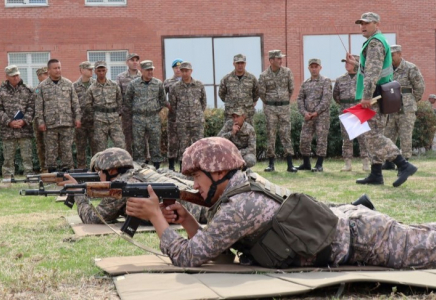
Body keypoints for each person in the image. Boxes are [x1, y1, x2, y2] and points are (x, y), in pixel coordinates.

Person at [125, 137, 436, 269]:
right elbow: (216, 255)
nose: (193, 184)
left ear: (218, 171)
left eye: (197, 176)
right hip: (352, 230)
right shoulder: (236, 195)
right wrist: (189, 222)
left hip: (364, 238)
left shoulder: (239, 206)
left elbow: (187, 258)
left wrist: (156, 217)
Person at [347, 12, 417, 187]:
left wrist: (366, 96)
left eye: (367, 23)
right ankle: (376, 174)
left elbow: (372, 74)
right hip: (380, 95)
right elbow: (373, 68)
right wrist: (356, 64)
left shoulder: (375, 43)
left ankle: (403, 164)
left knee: (373, 135)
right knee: (376, 133)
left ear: (377, 24)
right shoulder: (377, 41)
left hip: (375, 97)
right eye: (361, 23)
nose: (362, 26)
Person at [59, 147, 206, 224]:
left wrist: (78, 193)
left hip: (200, 211)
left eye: (99, 172)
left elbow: (94, 218)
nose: (98, 177)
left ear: (111, 171)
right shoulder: (138, 171)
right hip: (201, 202)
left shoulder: (124, 184)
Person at [382, 45, 425, 170]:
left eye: (392, 55)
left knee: (405, 134)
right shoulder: (386, 69)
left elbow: (419, 87)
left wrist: (410, 100)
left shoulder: (410, 68)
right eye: (388, 55)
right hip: (390, 107)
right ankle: (389, 161)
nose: (390, 58)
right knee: (388, 134)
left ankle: (405, 161)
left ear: (400, 54)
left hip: (406, 107)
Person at [35, 59, 81, 172]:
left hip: (66, 123)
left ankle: (68, 172)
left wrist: (78, 118)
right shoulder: (42, 86)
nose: (58, 70)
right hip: (50, 124)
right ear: (49, 70)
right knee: (50, 151)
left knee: (67, 150)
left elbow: (75, 103)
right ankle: (51, 172)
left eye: (59, 68)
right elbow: (39, 106)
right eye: (55, 68)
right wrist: (40, 122)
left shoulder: (68, 83)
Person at [258, 50, 297, 173]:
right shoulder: (264, 76)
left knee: (286, 134)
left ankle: (290, 164)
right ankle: (271, 163)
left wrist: (283, 100)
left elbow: (291, 89)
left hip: (284, 107)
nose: (281, 60)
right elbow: (262, 93)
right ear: (271, 60)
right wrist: (271, 102)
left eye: (281, 58)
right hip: (270, 108)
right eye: (278, 58)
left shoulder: (287, 72)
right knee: (271, 134)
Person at [125, 60, 168, 169]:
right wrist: (137, 109)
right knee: (138, 144)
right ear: (142, 70)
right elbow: (127, 100)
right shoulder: (133, 84)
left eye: (151, 70)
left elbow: (163, 100)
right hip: (138, 118)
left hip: (153, 117)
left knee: (155, 142)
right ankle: (140, 167)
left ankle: (157, 167)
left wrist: (155, 109)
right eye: (147, 70)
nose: (150, 72)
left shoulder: (158, 83)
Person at [333, 55, 369, 172]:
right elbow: (336, 95)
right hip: (345, 110)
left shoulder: (362, 77)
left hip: (359, 108)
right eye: (345, 62)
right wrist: (345, 104)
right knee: (347, 138)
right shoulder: (340, 79)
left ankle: (366, 163)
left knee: (362, 137)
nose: (346, 64)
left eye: (349, 62)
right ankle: (348, 163)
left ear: (356, 63)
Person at [169, 61, 207, 171]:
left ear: (191, 71)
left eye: (187, 71)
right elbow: (173, 104)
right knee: (183, 145)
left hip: (197, 121)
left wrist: (197, 113)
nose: (185, 73)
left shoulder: (199, 85)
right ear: (180, 72)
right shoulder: (175, 87)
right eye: (183, 71)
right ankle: (184, 168)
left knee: (199, 144)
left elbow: (203, 102)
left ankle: (200, 167)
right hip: (182, 121)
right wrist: (181, 114)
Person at [297, 58, 332, 172]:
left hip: (321, 116)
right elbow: (300, 99)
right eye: (312, 67)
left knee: (321, 139)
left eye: (316, 66)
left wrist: (317, 111)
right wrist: (304, 113)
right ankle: (306, 163)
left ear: (320, 68)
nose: (314, 69)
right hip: (308, 116)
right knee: (304, 139)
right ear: (308, 68)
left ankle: (319, 164)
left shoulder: (325, 81)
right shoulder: (305, 83)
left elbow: (326, 99)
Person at [0, 65, 35, 177]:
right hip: (8, 130)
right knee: (8, 157)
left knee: (27, 157)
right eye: (13, 76)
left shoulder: (28, 89)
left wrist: (24, 121)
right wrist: (9, 122)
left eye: (17, 75)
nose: (16, 78)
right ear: (7, 76)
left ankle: (29, 176)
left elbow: (32, 107)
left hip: (24, 129)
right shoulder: (1, 91)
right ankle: (7, 178)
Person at [85, 61, 125, 153]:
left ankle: (122, 165)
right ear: (95, 72)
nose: (101, 73)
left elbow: (120, 100)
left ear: (106, 70)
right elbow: (88, 105)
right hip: (100, 121)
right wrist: (95, 117)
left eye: (103, 70)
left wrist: (117, 113)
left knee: (121, 145)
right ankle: (102, 167)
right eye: (99, 71)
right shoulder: (92, 88)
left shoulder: (114, 85)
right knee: (100, 147)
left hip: (114, 120)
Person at [218, 54, 259, 125]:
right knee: (230, 134)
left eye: (242, 63)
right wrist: (231, 102)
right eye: (238, 63)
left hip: (246, 114)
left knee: (248, 134)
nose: (240, 65)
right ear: (234, 64)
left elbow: (257, 92)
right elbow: (221, 93)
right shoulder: (227, 79)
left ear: (245, 64)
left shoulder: (251, 78)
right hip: (231, 114)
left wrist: (252, 102)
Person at [116, 53, 141, 156]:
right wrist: (121, 111)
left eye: (136, 60)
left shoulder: (143, 76)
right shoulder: (121, 77)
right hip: (127, 115)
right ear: (127, 62)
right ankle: (128, 161)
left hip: (141, 114)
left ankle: (143, 162)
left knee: (141, 139)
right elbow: (118, 96)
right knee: (127, 139)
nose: (135, 62)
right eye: (132, 60)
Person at [73, 61, 97, 169]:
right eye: (89, 69)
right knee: (80, 146)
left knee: (95, 146)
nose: (91, 71)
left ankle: (96, 167)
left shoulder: (96, 84)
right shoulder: (74, 86)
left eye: (92, 69)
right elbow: (72, 104)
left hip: (94, 121)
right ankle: (81, 168)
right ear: (82, 70)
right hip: (81, 122)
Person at [164, 58, 183, 171]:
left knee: (183, 141)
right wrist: (168, 105)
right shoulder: (168, 82)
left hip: (185, 116)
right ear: (173, 69)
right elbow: (161, 96)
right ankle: (171, 166)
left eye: (180, 68)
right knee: (172, 141)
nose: (178, 70)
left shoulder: (187, 81)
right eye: (176, 68)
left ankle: (182, 165)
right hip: (173, 116)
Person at [33, 67, 49, 172]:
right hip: (38, 120)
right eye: (44, 74)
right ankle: (44, 167)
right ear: (39, 76)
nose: (47, 76)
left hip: (50, 119)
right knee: (40, 144)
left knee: (52, 145)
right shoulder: (38, 89)